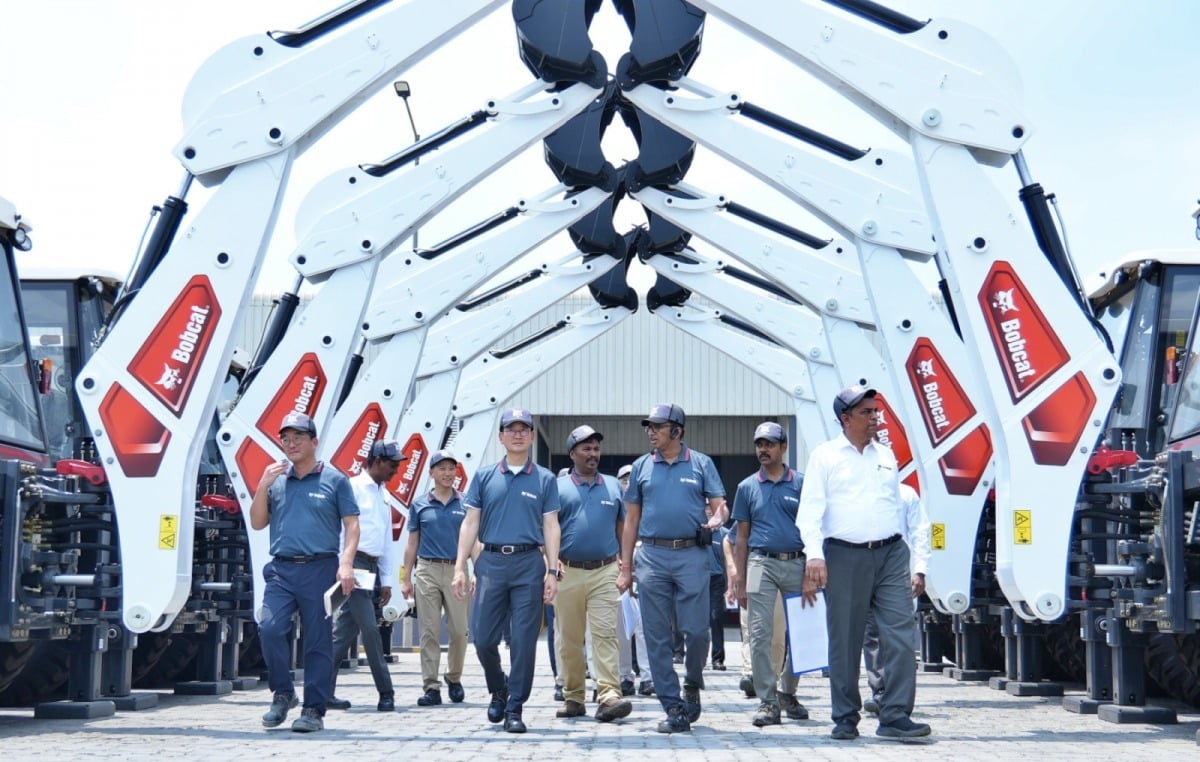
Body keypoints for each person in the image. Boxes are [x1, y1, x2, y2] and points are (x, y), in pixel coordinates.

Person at [798, 385, 933, 740]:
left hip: (891, 554)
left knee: (901, 636)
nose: (876, 417)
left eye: (876, 411)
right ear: (846, 419)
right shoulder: (825, 456)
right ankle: (845, 716)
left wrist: (917, 563)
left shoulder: (885, 456)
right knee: (846, 639)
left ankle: (895, 716)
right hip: (844, 554)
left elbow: (902, 511)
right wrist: (815, 555)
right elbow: (809, 511)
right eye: (867, 412)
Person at [617, 403, 727, 734]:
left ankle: (692, 681)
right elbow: (631, 519)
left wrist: (718, 517)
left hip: (692, 555)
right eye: (648, 426)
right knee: (656, 634)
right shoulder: (640, 467)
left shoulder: (701, 463)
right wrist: (625, 567)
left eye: (657, 426)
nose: (650, 432)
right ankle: (673, 704)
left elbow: (721, 506)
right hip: (651, 556)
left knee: (696, 631)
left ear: (676, 431)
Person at [250, 412, 360, 733]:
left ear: (314, 442)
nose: (291, 443)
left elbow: (352, 525)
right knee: (270, 628)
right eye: (286, 438)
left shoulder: (335, 480)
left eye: (298, 437)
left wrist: (346, 563)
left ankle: (313, 708)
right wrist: (262, 486)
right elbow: (258, 522)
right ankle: (283, 693)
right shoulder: (277, 480)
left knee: (317, 641)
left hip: (321, 569)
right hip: (281, 570)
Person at [452, 408, 560, 734]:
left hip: (529, 564)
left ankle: (515, 706)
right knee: (483, 638)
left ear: (530, 436)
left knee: (524, 642)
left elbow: (551, 526)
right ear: (500, 437)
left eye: (523, 429)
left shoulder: (544, 478)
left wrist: (552, 571)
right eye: (510, 429)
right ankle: (498, 687)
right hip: (492, 562)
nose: (517, 434)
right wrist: (460, 567)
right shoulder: (484, 477)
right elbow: (470, 523)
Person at [732, 421, 809, 727]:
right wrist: (739, 579)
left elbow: (814, 528)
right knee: (760, 634)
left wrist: (813, 570)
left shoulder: (801, 484)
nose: (763, 449)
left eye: (769, 444)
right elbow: (741, 537)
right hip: (759, 564)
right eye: (759, 444)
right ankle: (767, 701)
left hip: (798, 563)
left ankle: (788, 692)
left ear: (784, 448)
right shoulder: (747, 487)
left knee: (802, 634)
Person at [554, 425, 633, 723]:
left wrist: (626, 568)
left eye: (596, 448)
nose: (593, 454)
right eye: (586, 449)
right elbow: (547, 529)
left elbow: (622, 530)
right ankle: (574, 696)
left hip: (605, 571)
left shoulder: (613, 486)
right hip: (567, 572)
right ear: (572, 453)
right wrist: (550, 563)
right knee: (570, 640)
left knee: (604, 635)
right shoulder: (558, 488)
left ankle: (609, 694)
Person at [327, 439, 401, 713]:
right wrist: (342, 566)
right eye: (392, 465)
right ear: (377, 461)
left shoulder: (384, 494)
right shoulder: (353, 487)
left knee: (344, 631)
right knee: (370, 628)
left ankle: (322, 690)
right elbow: (341, 531)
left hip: (370, 567)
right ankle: (386, 692)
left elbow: (385, 540)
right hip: (353, 564)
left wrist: (387, 580)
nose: (396, 471)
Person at [401, 449, 470, 708]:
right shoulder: (420, 504)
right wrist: (406, 577)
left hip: (457, 571)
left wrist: (479, 571)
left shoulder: (466, 503)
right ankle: (431, 686)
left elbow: (473, 540)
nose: (447, 473)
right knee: (429, 631)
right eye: (441, 468)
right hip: (428, 570)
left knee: (459, 631)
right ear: (431, 473)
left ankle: (454, 678)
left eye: (451, 468)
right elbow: (412, 542)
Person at [862, 482, 931, 715]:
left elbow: (921, 531)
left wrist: (920, 570)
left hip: (899, 574)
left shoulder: (906, 494)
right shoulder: (858, 491)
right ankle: (879, 690)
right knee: (871, 634)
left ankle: (899, 694)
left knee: (899, 636)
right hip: (865, 572)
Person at [707, 521, 728, 671]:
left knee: (716, 618)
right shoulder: (696, 529)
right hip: (697, 579)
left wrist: (730, 582)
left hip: (717, 579)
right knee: (695, 621)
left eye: (711, 508)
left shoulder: (724, 534)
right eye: (706, 508)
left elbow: (728, 559)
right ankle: (695, 658)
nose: (708, 511)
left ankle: (717, 659)